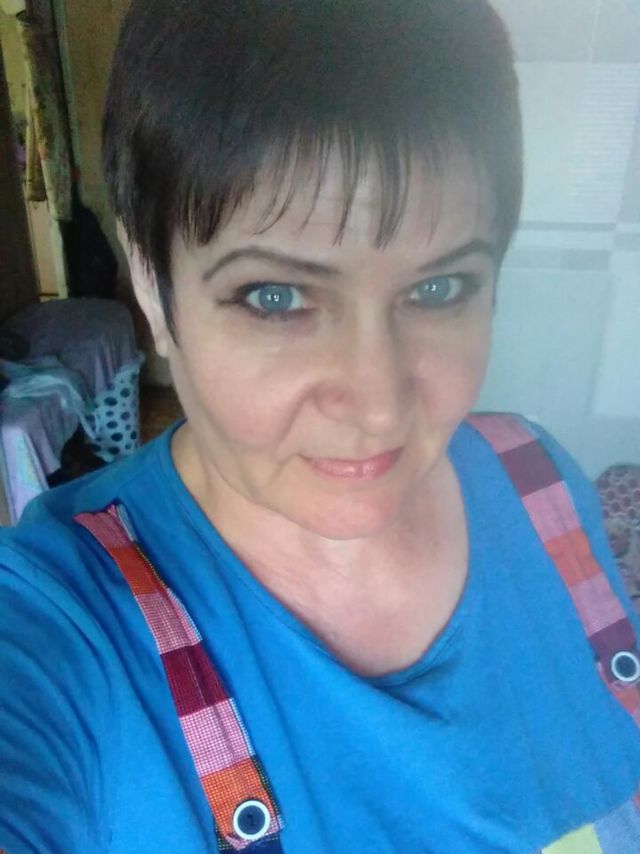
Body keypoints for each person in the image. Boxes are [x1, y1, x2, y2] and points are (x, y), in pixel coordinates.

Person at [1, 1, 640, 852]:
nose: (378, 405)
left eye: (439, 288)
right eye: (275, 297)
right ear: (153, 284)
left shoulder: (539, 480)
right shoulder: (58, 622)